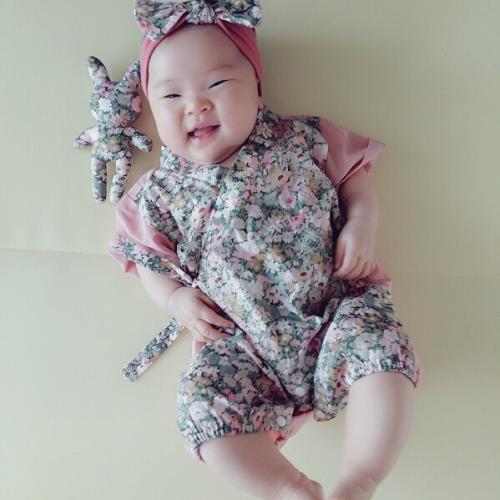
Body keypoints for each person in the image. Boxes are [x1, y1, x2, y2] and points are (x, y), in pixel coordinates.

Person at [108, 1, 423, 499]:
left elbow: (355, 178)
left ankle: (360, 478)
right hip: (242, 347)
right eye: (170, 95)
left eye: (217, 84)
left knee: (382, 348)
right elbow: (147, 256)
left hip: (335, 310)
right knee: (201, 403)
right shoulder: (158, 193)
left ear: (257, 87)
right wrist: (174, 298)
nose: (195, 105)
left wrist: (361, 224)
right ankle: (288, 489)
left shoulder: (301, 139)